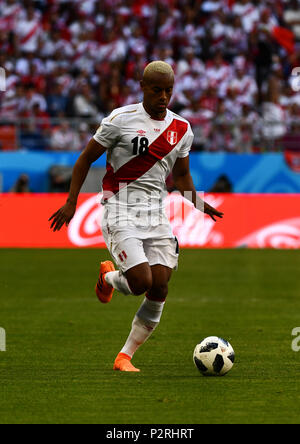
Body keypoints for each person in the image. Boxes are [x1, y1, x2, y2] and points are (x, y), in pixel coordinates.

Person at [49, 61, 223, 372]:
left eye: (169, 91)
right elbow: (84, 160)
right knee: (141, 281)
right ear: (142, 87)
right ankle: (108, 277)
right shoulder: (119, 120)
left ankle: (124, 357)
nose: (164, 97)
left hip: (156, 214)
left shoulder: (182, 128)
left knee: (160, 286)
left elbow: (181, 177)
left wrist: (198, 201)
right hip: (120, 209)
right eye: (157, 90)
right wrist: (71, 202)